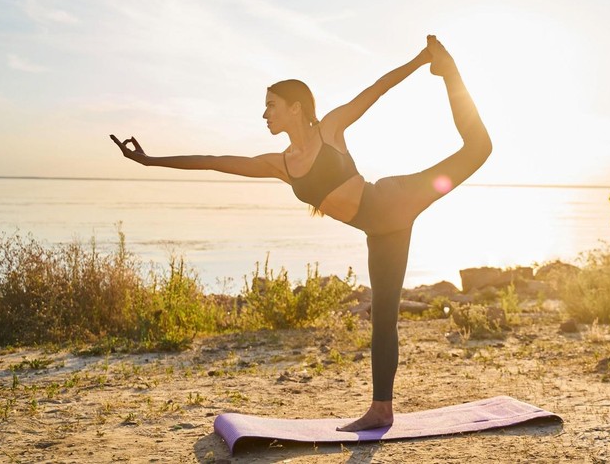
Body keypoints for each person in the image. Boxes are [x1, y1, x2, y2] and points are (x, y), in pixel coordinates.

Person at [110, 35, 491, 431]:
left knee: (479, 148)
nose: (264, 115)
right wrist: (150, 160)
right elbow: (215, 161)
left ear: (296, 107)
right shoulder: (281, 164)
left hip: (394, 200)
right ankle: (382, 409)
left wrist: (421, 59)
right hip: (381, 233)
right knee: (383, 316)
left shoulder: (330, 129)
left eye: (270, 106)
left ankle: (448, 71)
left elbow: (378, 88)